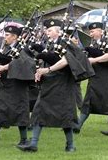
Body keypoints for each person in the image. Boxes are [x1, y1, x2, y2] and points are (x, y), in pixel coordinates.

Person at [17, 19, 93, 152]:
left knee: (65, 115)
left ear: (58, 31)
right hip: (49, 83)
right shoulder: (49, 44)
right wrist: (39, 71)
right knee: (39, 111)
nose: (47, 32)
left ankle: (70, 145)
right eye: (46, 30)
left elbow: (66, 61)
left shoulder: (65, 43)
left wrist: (48, 70)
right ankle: (33, 144)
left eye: (50, 30)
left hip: (62, 84)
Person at [74, 22, 108, 133]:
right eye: (90, 31)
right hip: (94, 75)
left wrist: (95, 60)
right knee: (88, 100)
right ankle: (78, 126)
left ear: (100, 31)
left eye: (93, 31)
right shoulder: (92, 44)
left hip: (107, 75)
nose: (91, 33)